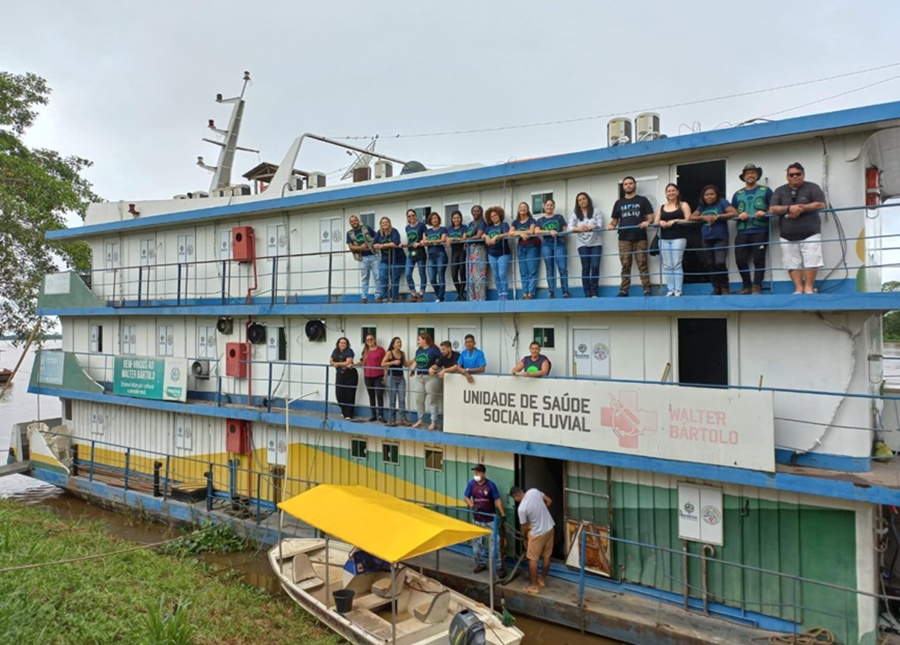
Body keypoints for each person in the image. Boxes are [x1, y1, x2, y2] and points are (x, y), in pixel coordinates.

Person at [770, 162, 826, 294]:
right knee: (791, 262)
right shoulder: (780, 190)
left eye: (798, 174)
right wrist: (789, 208)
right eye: (791, 175)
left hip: (811, 232)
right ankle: (799, 288)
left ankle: (809, 288)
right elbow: (772, 209)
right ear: (787, 176)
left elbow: (821, 204)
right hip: (787, 234)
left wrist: (801, 208)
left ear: (803, 174)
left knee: (812, 260)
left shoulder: (813, 187)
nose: (795, 176)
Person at [607, 176, 654, 296]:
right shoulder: (619, 203)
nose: (628, 185)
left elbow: (651, 217)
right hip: (624, 238)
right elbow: (615, 220)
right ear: (623, 187)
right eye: (626, 184)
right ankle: (624, 290)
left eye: (630, 183)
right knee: (625, 265)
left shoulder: (643, 200)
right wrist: (611, 225)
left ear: (635, 185)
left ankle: (647, 289)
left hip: (640, 237)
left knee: (642, 264)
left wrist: (647, 222)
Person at [732, 163, 773, 295]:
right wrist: (739, 215)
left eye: (753, 173)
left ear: (757, 175)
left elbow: (773, 208)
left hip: (760, 230)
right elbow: (732, 212)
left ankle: (757, 286)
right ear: (744, 176)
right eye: (748, 173)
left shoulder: (766, 191)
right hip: (742, 231)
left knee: (759, 259)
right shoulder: (737, 194)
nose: (750, 175)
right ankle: (747, 286)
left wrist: (765, 212)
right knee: (740, 259)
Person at [691, 185, 737, 295]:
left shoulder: (722, 202)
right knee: (711, 263)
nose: (709, 197)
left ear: (717, 195)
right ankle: (716, 287)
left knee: (720, 262)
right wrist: (703, 217)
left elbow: (734, 213)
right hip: (706, 238)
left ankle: (724, 287)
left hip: (721, 237)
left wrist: (718, 217)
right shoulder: (702, 206)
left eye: (712, 194)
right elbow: (691, 217)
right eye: (706, 195)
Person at [510, 486, 554, 594]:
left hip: (537, 534)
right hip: (550, 528)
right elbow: (549, 501)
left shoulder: (522, 508)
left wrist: (525, 538)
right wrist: (542, 514)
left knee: (532, 559)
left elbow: (524, 527)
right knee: (547, 556)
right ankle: (542, 580)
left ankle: (534, 586)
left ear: (516, 497)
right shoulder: (534, 491)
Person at [464, 464, 507, 577]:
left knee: (495, 545)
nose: (476, 474)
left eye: (478, 472)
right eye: (475, 472)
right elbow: (466, 497)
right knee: (477, 546)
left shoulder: (491, 485)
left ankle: (499, 567)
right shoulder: (472, 484)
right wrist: (472, 506)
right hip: (477, 520)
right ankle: (481, 563)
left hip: (490, 520)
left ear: (483, 473)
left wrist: (503, 515)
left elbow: (497, 500)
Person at [654, 183, 692, 297]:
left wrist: (675, 221)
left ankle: (678, 290)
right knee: (667, 265)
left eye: (673, 190)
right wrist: (660, 222)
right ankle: (670, 290)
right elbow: (655, 223)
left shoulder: (683, 204)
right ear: (666, 193)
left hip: (679, 238)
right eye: (669, 191)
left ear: (677, 192)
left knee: (676, 264)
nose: (671, 193)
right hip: (664, 239)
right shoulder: (662, 207)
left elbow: (689, 219)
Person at [568, 192, 604, 298]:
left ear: (588, 199)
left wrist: (593, 227)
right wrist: (578, 228)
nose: (582, 201)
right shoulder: (575, 214)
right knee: (585, 267)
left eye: (584, 199)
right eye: (579, 200)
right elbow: (570, 227)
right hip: (582, 244)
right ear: (577, 203)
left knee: (595, 266)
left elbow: (600, 225)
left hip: (596, 243)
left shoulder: (596, 211)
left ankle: (594, 292)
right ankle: (587, 293)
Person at [537, 199, 570, 298]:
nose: (549, 207)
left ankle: (565, 291)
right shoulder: (540, 220)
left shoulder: (559, 217)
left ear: (554, 207)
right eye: (547, 205)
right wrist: (549, 231)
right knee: (549, 269)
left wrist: (561, 233)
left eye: (551, 205)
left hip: (559, 243)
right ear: (544, 207)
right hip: (546, 244)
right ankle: (552, 292)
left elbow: (565, 229)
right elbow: (536, 231)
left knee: (562, 268)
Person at [345, 214, 380, 303]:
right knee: (364, 278)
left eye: (355, 220)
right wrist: (361, 247)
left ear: (358, 220)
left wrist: (374, 245)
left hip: (373, 255)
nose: (354, 222)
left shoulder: (366, 228)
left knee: (377, 276)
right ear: (350, 223)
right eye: (352, 221)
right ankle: (364, 297)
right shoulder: (349, 233)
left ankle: (378, 296)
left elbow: (377, 237)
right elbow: (351, 247)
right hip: (362, 258)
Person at [411, 332, 442, 430]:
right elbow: (416, 361)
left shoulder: (434, 349)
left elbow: (441, 360)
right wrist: (412, 370)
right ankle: (420, 419)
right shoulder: (419, 350)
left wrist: (434, 368)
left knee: (432, 400)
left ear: (424, 340)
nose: (418, 341)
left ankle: (433, 422)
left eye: (419, 339)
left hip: (431, 377)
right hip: (420, 376)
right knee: (419, 399)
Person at [510, 202, 540, 299]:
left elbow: (531, 231)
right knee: (523, 271)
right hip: (521, 247)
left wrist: (518, 232)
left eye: (524, 207)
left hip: (532, 246)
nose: (522, 208)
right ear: (518, 209)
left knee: (532, 271)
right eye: (521, 207)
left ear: (527, 210)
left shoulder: (532, 220)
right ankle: (524, 292)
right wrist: (521, 234)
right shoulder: (515, 222)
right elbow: (510, 232)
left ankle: (530, 293)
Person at [373, 217, 406, 302]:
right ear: (381, 224)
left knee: (394, 278)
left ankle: (394, 298)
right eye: (383, 223)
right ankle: (385, 297)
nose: (385, 224)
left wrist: (382, 246)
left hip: (397, 259)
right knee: (382, 276)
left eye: (386, 222)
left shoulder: (394, 231)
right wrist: (375, 246)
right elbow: (374, 244)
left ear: (389, 223)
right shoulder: (379, 233)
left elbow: (396, 243)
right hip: (385, 259)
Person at [484, 206, 511, 301]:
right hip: (491, 253)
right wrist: (486, 237)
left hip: (503, 253)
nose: (494, 217)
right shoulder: (489, 227)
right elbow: (483, 234)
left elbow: (507, 233)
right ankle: (500, 294)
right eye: (492, 216)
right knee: (496, 275)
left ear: (499, 215)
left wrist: (497, 236)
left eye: (495, 215)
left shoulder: (504, 225)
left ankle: (505, 294)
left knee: (502, 274)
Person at [381, 337, 410, 426]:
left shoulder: (402, 353)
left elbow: (406, 364)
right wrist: (392, 362)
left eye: (400, 342)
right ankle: (392, 420)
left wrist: (415, 359)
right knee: (392, 400)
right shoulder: (389, 353)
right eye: (397, 342)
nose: (399, 344)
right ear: (393, 344)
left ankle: (403, 419)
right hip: (391, 377)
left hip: (401, 378)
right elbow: (382, 363)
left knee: (402, 399)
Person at [359, 333, 386, 422]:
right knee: (371, 396)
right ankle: (373, 415)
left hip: (378, 375)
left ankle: (381, 415)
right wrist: (353, 364)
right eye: (367, 340)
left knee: (379, 395)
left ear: (374, 340)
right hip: (368, 376)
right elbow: (362, 362)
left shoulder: (381, 350)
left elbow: (385, 363)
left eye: (371, 339)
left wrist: (385, 375)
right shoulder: (365, 351)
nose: (369, 341)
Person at [329, 337, 358, 420]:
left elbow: (348, 362)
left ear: (347, 344)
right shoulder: (335, 351)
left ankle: (349, 414)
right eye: (341, 343)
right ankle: (343, 410)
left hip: (350, 375)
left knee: (349, 394)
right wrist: (334, 363)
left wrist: (337, 364)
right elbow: (331, 361)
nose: (342, 344)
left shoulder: (349, 351)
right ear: (338, 344)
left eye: (344, 343)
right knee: (339, 394)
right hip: (340, 375)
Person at [424, 212, 449, 302]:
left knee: (441, 276)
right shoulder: (428, 231)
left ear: (438, 219)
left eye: (436, 218)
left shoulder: (443, 229)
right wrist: (427, 242)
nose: (434, 220)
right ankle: (439, 295)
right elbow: (424, 241)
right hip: (431, 255)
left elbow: (442, 240)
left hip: (440, 254)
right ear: (430, 220)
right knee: (432, 278)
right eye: (432, 218)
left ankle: (440, 297)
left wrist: (430, 241)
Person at [404, 209, 427, 301]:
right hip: (410, 252)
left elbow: (425, 238)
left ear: (416, 216)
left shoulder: (421, 225)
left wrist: (420, 243)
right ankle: (413, 293)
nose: (411, 217)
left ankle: (421, 294)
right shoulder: (407, 228)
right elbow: (410, 240)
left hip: (420, 251)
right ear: (407, 218)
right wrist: (405, 245)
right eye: (409, 216)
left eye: (413, 215)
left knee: (422, 273)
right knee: (408, 273)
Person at [466, 204, 488, 301]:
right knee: (471, 275)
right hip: (470, 250)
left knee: (479, 274)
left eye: (478, 211)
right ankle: (472, 298)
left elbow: (478, 236)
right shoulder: (470, 224)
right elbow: (467, 235)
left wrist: (467, 240)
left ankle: (480, 298)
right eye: (474, 211)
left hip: (478, 249)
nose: (476, 213)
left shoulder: (482, 223)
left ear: (481, 212)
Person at [447, 210, 467, 301]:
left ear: (461, 218)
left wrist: (453, 238)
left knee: (462, 273)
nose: (456, 219)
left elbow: (463, 238)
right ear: (452, 219)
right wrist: (450, 239)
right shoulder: (449, 229)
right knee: (454, 275)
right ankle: (460, 294)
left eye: (458, 218)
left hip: (462, 251)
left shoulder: (464, 227)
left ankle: (461, 295)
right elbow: (447, 240)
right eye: (454, 218)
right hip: (454, 252)